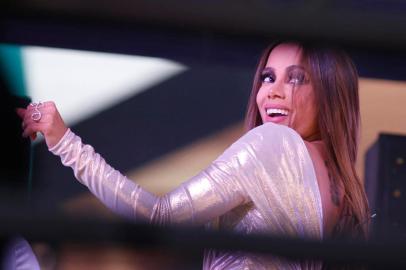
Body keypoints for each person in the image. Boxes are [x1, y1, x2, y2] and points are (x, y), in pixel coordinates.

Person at [16, 42, 370, 269]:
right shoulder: (344, 188)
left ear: (330, 92)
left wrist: (64, 142)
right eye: (266, 77)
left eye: (296, 79)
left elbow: (158, 217)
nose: (272, 93)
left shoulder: (274, 145)